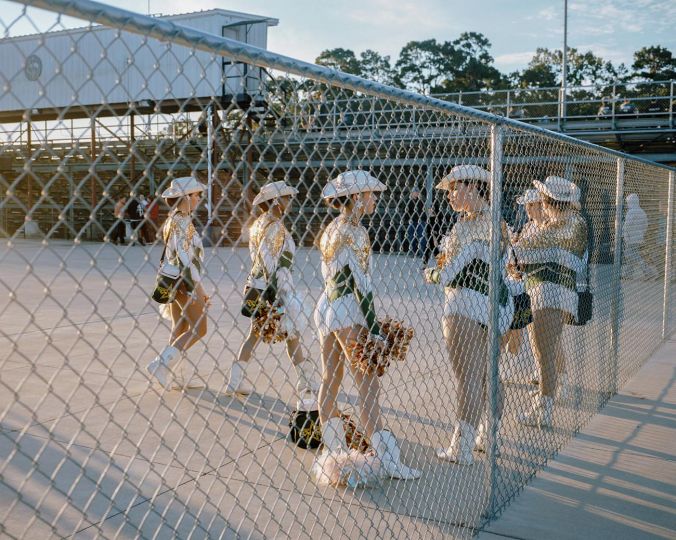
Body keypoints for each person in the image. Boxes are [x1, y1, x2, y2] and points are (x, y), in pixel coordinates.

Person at [313, 170, 421, 486]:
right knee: (369, 386)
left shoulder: (332, 228)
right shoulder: (357, 232)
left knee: (330, 377)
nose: (375, 199)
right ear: (358, 197)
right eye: (371, 194)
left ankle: (334, 452)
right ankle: (388, 461)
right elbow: (363, 286)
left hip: (327, 308)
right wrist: (374, 329)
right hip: (348, 310)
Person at [423, 165, 514, 465]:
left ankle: (460, 447)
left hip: (463, 305)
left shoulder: (464, 228)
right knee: (490, 375)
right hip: (497, 309)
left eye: (453, 188)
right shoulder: (500, 224)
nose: (449, 195)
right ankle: (489, 436)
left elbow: (447, 274)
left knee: (468, 378)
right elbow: (509, 275)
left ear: (473, 188)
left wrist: (430, 275)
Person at [226, 180, 318, 409]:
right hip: (274, 288)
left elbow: (259, 259)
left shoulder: (258, 224)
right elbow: (271, 263)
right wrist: (278, 294)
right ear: (276, 201)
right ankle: (306, 382)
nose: (289, 202)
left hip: (258, 286)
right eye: (286, 198)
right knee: (290, 333)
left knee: (261, 335)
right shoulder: (275, 226)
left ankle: (234, 380)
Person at [513, 176, 588, 428]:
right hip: (556, 293)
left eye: (543, 201)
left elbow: (522, 250)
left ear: (550, 202)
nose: (541, 207)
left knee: (544, 355)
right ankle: (543, 405)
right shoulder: (574, 223)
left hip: (546, 293)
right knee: (546, 352)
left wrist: (514, 249)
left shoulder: (561, 226)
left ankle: (544, 410)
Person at [146, 176, 209, 390]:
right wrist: (196, 288)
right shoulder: (183, 222)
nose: (199, 198)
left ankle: (176, 374)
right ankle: (162, 365)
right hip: (186, 281)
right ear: (186, 197)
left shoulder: (173, 219)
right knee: (200, 329)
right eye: (196, 195)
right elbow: (186, 258)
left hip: (173, 280)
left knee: (180, 326)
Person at [622, 193, 656, 280]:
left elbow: (627, 225)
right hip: (639, 237)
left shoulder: (631, 212)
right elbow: (646, 225)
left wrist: (625, 235)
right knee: (632, 255)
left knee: (630, 255)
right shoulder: (642, 211)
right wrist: (641, 233)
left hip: (630, 238)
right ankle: (628, 274)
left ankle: (647, 270)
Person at [405, 187, 427, 260]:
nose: (416, 193)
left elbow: (424, 211)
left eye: (417, 192)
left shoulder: (421, 201)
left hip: (420, 220)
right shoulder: (408, 201)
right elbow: (406, 212)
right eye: (415, 192)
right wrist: (408, 219)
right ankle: (414, 252)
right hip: (412, 221)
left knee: (422, 236)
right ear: (412, 193)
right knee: (411, 237)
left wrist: (424, 219)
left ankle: (421, 253)